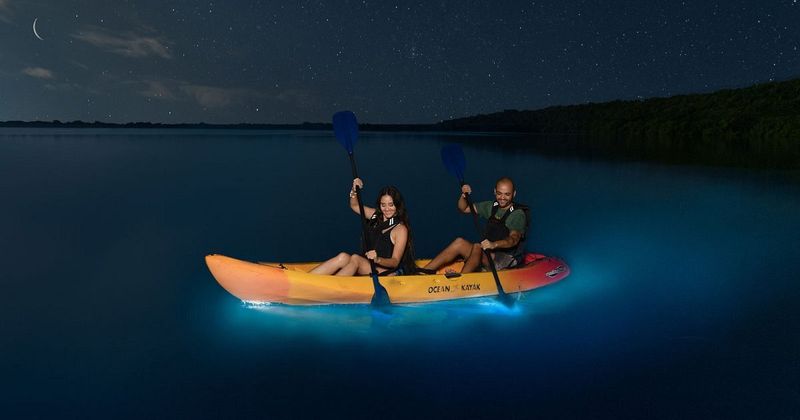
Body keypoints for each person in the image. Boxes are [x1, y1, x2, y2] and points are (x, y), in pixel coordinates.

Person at [310, 178, 416, 276]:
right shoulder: (375, 216)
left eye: (391, 204)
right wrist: (354, 190)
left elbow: (395, 261)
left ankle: (331, 286)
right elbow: (355, 205)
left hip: (388, 272)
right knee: (343, 257)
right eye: (383, 205)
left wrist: (378, 259)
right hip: (369, 266)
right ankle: (306, 280)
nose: (387, 209)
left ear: (397, 205)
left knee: (356, 259)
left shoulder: (400, 229)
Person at [423, 176, 526, 274]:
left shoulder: (517, 214)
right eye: (499, 193)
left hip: (505, 260)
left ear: (514, 194)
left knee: (477, 246)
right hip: (488, 254)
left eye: (507, 194)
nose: (502, 198)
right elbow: (464, 208)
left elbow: (513, 239)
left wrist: (493, 244)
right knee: (459, 242)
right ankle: (424, 272)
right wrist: (464, 197)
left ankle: (462, 280)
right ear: (495, 191)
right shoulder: (492, 206)